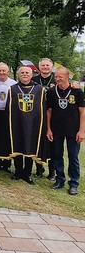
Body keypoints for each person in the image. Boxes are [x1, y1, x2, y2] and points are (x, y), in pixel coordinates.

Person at [5, 66, 47, 184]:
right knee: (17, 145)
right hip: (17, 123)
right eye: (22, 72)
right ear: (18, 75)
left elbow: (42, 109)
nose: (24, 74)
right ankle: (18, 171)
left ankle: (27, 173)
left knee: (30, 146)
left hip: (32, 124)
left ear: (31, 75)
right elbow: (9, 108)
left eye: (27, 73)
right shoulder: (13, 89)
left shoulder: (39, 89)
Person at [46, 67, 85, 195]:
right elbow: (49, 111)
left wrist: (82, 131)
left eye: (60, 76)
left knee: (73, 157)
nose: (57, 78)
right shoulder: (52, 92)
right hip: (56, 129)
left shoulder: (77, 92)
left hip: (73, 130)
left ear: (67, 76)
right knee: (57, 155)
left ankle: (73, 183)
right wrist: (49, 129)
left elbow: (82, 112)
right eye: (56, 76)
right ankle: (59, 179)